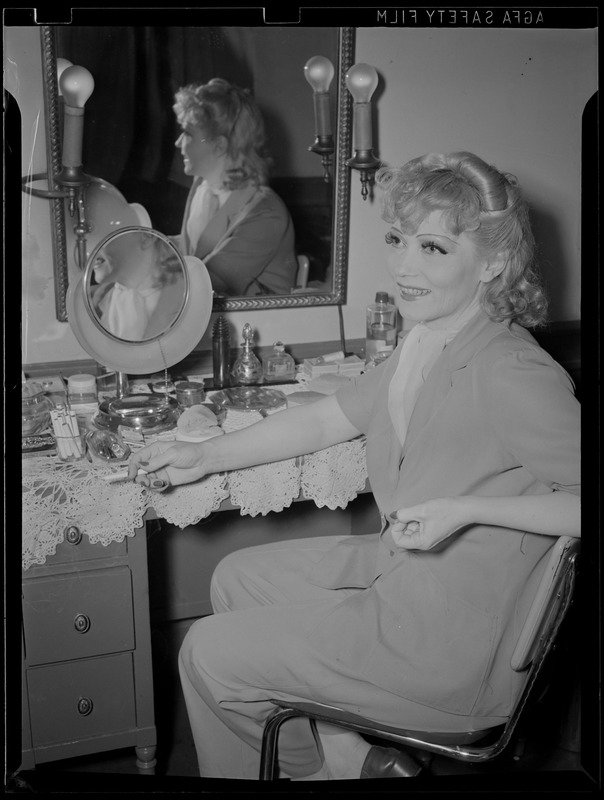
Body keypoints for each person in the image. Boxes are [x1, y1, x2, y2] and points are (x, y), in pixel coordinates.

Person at [128, 152, 581, 780]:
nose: (403, 265)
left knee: (207, 654)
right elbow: (329, 417)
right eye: (399, 239)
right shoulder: (429, 338)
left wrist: (469, 509)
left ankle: (306, 771)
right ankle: (345, 758)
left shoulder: (515, 372)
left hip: (452, 641)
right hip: (409, 573)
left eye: (434, 249)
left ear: (494, 263)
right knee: (237, 577)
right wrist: (204, 454)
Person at [171, 78, 298, 297]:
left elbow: (210, 282)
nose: (178, 142)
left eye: (189, 134)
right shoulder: (202, 186)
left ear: (219, 145)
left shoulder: (266, 211)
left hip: (258, 324)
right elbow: (191, 249)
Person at [90, 230, 185, 340]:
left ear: (146, 237)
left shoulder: (188, 284)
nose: (89, 252)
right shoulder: (102, 301)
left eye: (101, 236)